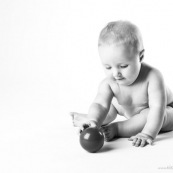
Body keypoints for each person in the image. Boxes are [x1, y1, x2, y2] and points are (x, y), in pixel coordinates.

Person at [70, 20, 173, 147]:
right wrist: (94, 119)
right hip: (130, 110)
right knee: (108, 108)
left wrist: (147, 133)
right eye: (108, 67)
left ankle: (117, 129)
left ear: (140, 57)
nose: (115, 73)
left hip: (164, 111)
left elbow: (157, 109)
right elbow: (100, 104)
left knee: (150, 114)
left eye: (123, 66)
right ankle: (92, 120)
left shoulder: (153, 77)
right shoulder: (110, 83)